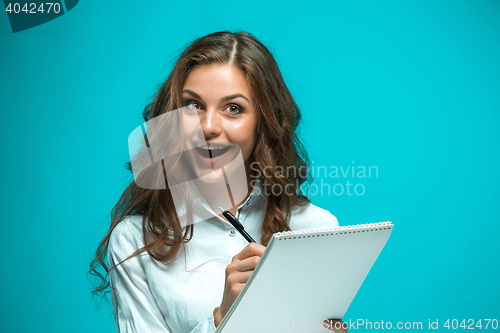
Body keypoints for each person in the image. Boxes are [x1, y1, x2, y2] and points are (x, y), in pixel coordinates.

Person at [89, 31, 346, 333]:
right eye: (194, 106)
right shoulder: (136, 240)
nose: (208, 126)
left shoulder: (317, 230)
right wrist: (222, 321)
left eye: (233, 108)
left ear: (263, 121)